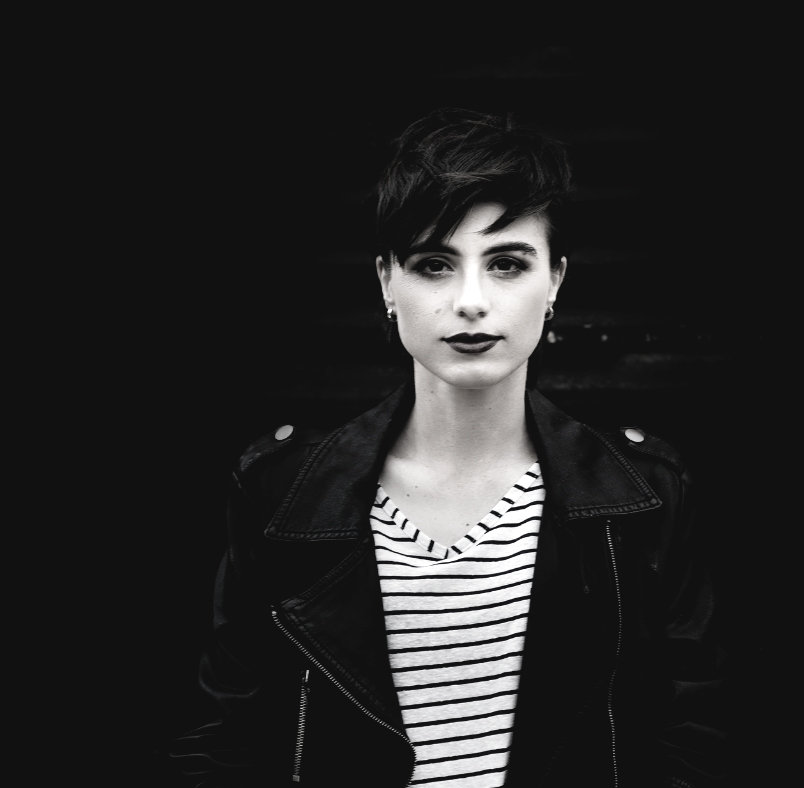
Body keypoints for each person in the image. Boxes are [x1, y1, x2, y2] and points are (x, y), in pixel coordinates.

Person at [166, 106, 728, 786]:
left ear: (554, 281)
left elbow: (692, 739)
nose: (471, 301)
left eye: (507, 263)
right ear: (386, 281)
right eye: (434, 264)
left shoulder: (647, 496)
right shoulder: (280, 492)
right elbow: (226, 741)